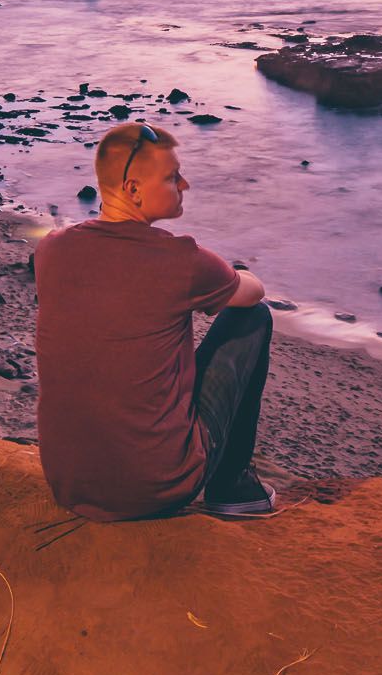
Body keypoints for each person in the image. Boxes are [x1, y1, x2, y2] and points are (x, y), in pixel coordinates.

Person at [33, 121, 279, 520]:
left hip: (69, 481)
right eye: (172, 178)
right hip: (156, 486)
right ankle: (232, 486)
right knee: (253, 318)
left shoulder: (52, 249)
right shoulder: (179, 260)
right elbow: (254, 292)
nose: (185, 186)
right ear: (133, 189)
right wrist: (232, 273)